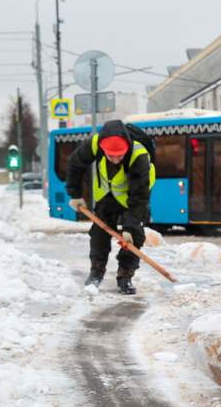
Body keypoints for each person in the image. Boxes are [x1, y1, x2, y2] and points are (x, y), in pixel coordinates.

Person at [65, 119, 155, 295]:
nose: (115, 159)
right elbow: (74, 164)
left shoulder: (139, 156)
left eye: (119, 155)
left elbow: (139, 196)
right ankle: (96, 273)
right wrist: (75, 194)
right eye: (110, 155)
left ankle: (125, 276)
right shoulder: (94, 144)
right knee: (98, 234)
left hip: (133, 196)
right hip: (106, 196)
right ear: (103, 148)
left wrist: (130, 226)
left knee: (134, 237)